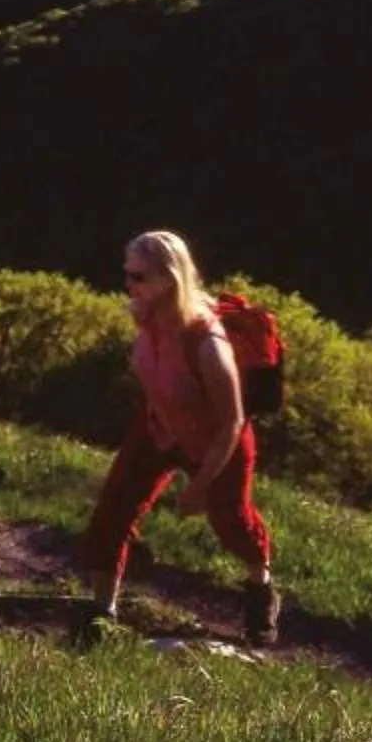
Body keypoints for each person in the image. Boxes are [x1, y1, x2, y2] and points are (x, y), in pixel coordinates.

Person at [75, 228, 278, 646]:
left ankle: (261, 588)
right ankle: (101, 614)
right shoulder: (144, 315)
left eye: (138, 276)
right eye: (127, 273)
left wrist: (200, 485)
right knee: (110, 515)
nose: (128, 283)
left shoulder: (208, 343)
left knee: (232, 522)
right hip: (158, 428)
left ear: (168, 279)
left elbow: (232, 422)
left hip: (216, 442)